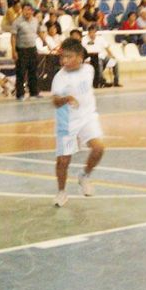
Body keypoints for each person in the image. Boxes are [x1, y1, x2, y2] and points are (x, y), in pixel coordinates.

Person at [50, 38, 105, 207]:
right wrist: (66, 98)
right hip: (67, 122)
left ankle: (84, 175)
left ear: (80, 57)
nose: (64, 60)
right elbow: (55, 102)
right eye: (62, 57)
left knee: (99, 148)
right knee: (63, 161)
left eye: (69, 56)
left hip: (88, 117)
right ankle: (61, 192)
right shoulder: (59, 78)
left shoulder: (89, 70)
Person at [11, 4, 41, 100]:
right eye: (25, 10)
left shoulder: (35, 21)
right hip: (21, 50)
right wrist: (13, 51)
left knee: (33, 72)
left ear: (32, 11)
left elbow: (39, 32)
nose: (27, 12)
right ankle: (20, 94)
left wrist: (47, 43)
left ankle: (34, 93)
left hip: (32, 49)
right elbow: (13, 37)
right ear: (22, 11)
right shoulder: (17, 22)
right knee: (21, 72)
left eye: (29, 10)